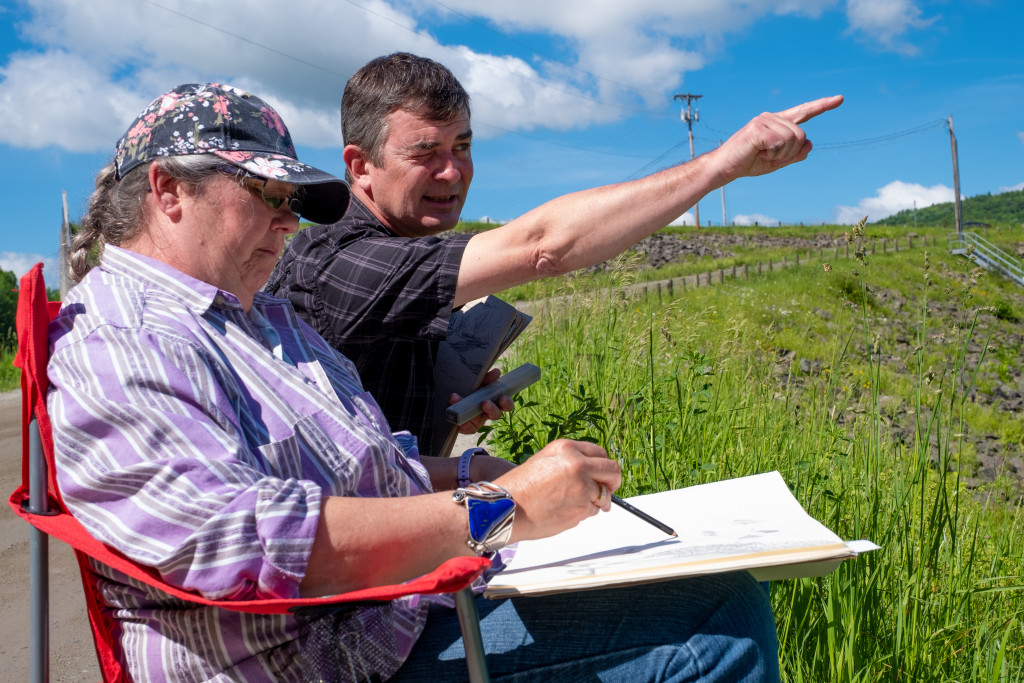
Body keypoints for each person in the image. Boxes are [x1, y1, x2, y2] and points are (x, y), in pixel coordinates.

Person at [51, 82, 780, 682]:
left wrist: (472, 468)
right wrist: (497, 509)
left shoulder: (254, 314)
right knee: (716, 621)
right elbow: (246, 541)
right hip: (317, 656)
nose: (286, 223)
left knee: (712, 593)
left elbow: (362, 461)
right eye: (265, 195)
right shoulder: (121, 335)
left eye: (291, 203)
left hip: (385, 612)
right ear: (169, 189)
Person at [266, 52, 844, 456]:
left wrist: (448, 404)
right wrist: (722, 165)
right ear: (360, 165)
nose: (452, 171)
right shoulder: (337, 259)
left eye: (463, 146)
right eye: (426, 153)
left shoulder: (394, 257)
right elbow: (543, 247)